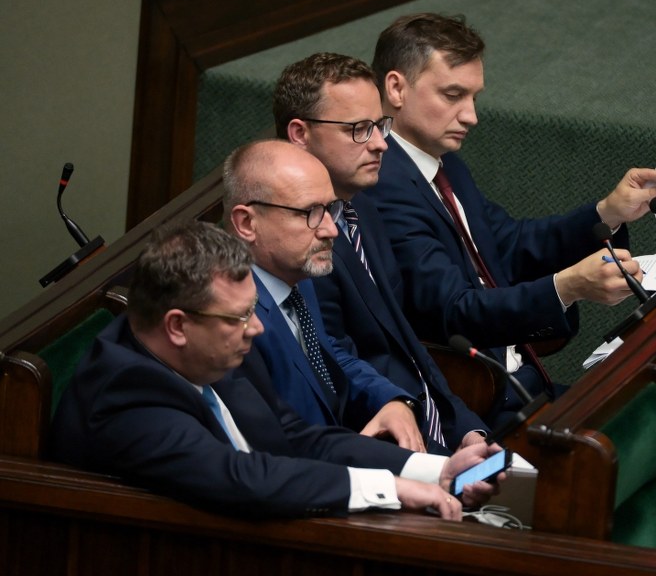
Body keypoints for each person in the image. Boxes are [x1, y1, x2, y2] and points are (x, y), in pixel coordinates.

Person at [48, 220, 501, 519]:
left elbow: (297, 437)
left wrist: (432, 470)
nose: (257, 328)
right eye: (239, 317)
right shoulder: (127, 395)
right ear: (178, 326)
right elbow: (242, 478)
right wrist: (393, 490)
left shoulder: (209, 353)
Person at [364, 12, 656, 417]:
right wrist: (567, 287)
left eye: (474, 98)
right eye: (453, 96)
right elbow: (455, 311)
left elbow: (509, 244)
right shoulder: (383, 184)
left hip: (523, 386)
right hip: (478, 407)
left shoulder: (442, 164)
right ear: (396, 88)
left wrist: (608, 212)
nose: (471, 116)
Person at [273, 52, 490, 446]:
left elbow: (407, 344)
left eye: (379, 125)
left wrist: (465, 428)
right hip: (374, 441)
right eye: (358, 129)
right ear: (300, 134)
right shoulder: (289, 241)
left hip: (429, 427)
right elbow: (331, 360)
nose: (380, 144)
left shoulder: (362, 211)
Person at [224, 139, 427, 452]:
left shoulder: (297, 276)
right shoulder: (226, 316)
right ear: (247, 223)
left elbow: (327, 350)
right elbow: (282, 443)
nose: (331, 230)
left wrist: (390, 400)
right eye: (310, 213)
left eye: (331, 209)